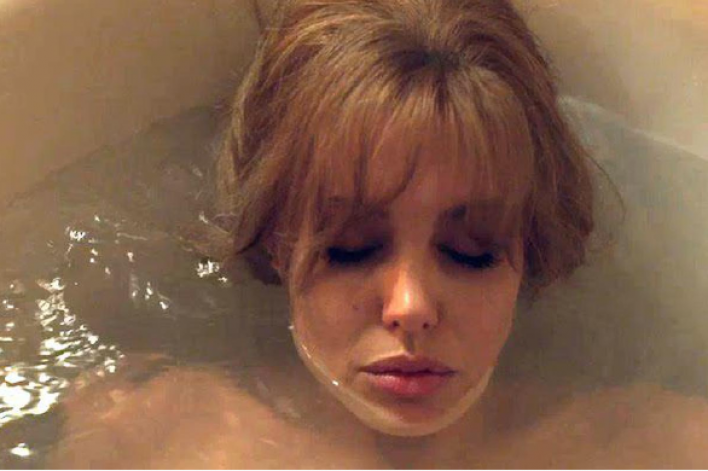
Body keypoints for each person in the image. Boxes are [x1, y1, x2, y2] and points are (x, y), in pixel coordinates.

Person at [50, 0, 708, 467]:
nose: (411, 306)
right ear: (277, 243)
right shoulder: (143, 438)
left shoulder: (665, 447)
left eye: (471, 251)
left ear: (527, 252)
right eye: (351, 247)